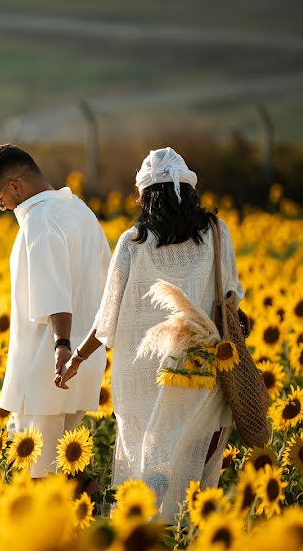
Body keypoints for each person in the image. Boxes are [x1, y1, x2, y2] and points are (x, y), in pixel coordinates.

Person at [55, 146, 244, 523]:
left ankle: (144, 527)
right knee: (192, 451)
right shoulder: (216, 233)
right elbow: (231, 298)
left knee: (148, 452)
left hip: (141, 373)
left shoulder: (134, 242)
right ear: (189, 190)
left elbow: (107, 317)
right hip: (200, 367)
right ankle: (184, 531)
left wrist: (75, 358)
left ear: (145, 196)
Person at [0, 143, 111, 486]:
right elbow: (107, 280)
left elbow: (55, 292)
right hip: (83, 360)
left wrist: (61, 344)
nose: (1, 206)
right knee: (66, 464)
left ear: (16, 187)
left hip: (48, 366)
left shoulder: (39, 218)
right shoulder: (79, 210)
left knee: (39, 473)